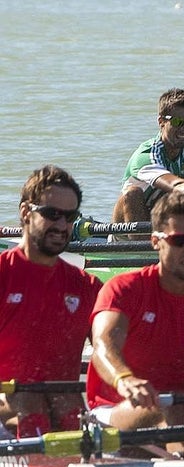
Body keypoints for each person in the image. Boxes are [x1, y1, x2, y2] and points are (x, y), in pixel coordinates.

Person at [86, 192, 184, 455]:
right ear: (156, 241)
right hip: (116, 409)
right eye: (180, 241)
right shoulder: (125, 290)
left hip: (183, 403)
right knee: (170, 403)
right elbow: (103, 346)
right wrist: (125, 379)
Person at [0, 166, 102, 438]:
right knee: (29, 400)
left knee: (63, 404)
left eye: (70, 217)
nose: (61, 225)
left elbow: (111, 353)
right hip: (9, 407)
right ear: (25, 212)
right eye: (51, 214)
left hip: (61, 408)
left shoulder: (87, 286)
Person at [113, 88, 184, 234]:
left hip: (168, 225)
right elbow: (173, 184)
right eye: (177, 122)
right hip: (132, 231)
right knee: (132, 193)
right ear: (161, 122)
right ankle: (145, 251)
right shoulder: (146, 154)